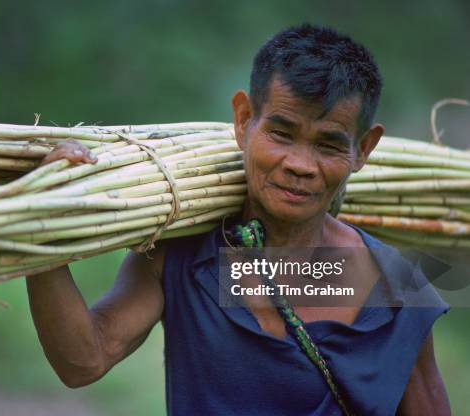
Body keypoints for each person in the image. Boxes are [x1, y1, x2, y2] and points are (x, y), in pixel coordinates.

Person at [26, 24, 451, 415]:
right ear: (244, 120)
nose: (300, 164)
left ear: (364, 148)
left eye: (328, 145)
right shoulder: (182, 255)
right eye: (281, 135)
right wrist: (41, 223)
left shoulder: (396, 287)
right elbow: (83, 360)